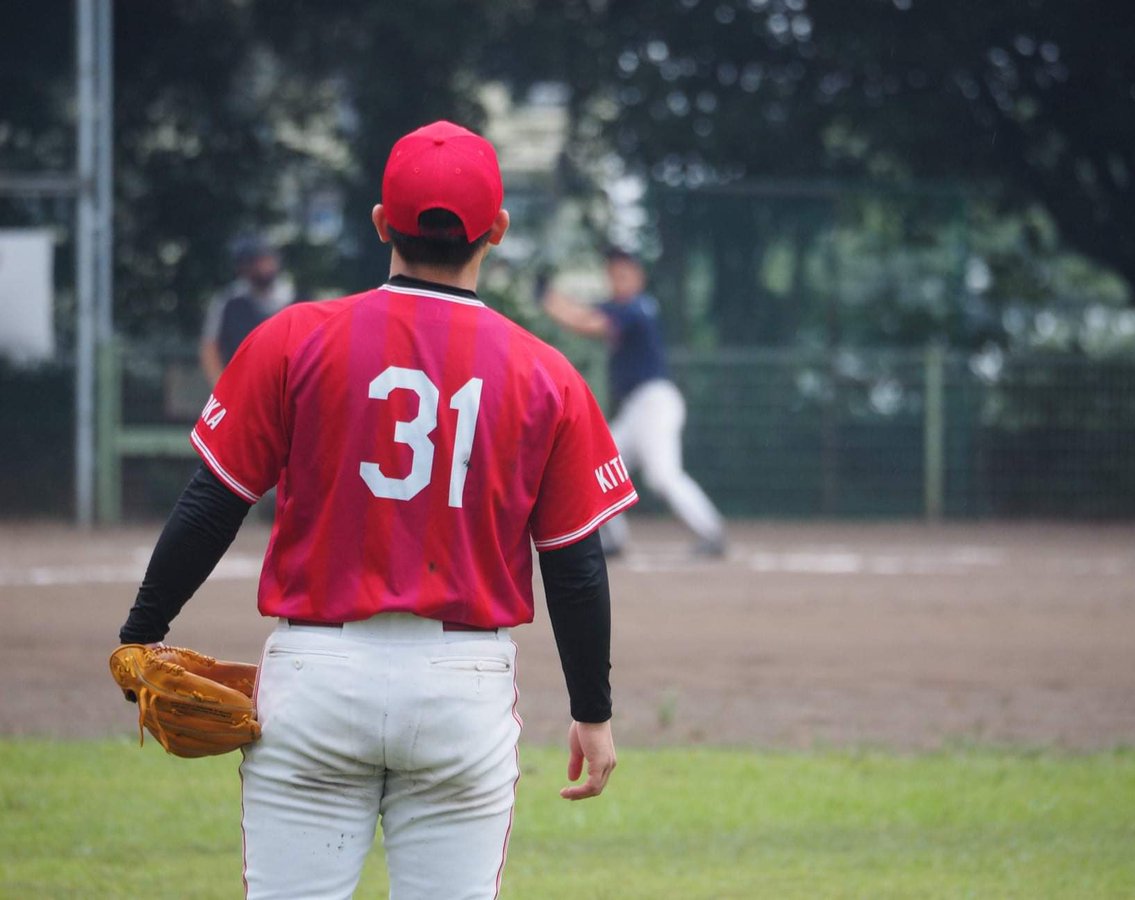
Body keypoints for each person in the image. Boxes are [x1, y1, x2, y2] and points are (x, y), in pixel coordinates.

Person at [116, 120, 636, 899]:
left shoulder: (292, 338)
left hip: (317, 680)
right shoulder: (547, 375)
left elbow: (212, 504)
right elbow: (575, 566)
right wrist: (592, 712)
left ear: (379, 223)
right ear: (496, 231)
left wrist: (141, 632)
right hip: (462, 686)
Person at [541, 249, 726, 557]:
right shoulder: (619, 308)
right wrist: (552, 297)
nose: (617, 280)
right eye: (613, 274)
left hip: (654, 402)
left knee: (662, 476)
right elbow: (579, 312)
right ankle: (614, 539)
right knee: (595, 468)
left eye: (624, 274)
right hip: (637, 408)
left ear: (639, 277)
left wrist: (545, 297)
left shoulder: (637, 308)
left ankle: (712, 532)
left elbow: (586, 323)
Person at [198, 234, 294, 385]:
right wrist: (222, 386)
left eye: (267, 259)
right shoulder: (228, 302)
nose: (263, 266)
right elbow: (210, 347)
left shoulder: (297, 299)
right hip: (242, 388)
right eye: (256, 261)